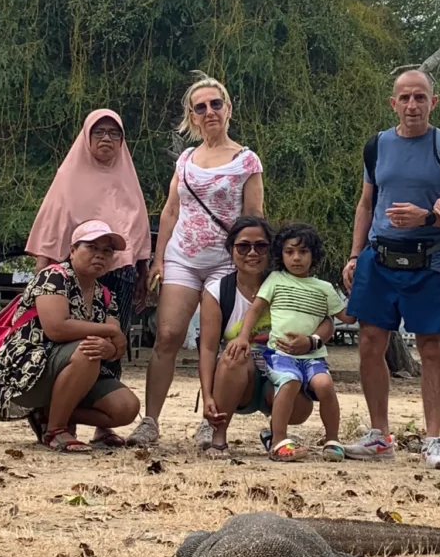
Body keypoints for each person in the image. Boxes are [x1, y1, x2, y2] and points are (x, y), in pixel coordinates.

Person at [342, 70, 440, 470]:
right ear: (393, 103)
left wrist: (428, 217)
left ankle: (433, 439)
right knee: (369, 342)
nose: (413, 105)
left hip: (429, 259)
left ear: (433, 102)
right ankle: (379, 435)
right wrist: (353, 255)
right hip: (379, 258)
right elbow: (366, 203)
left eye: (420, 97)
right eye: (405, 98)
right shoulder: (377, 146)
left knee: (431, 347)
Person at [129, 73, 264, 446]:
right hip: (183, 257)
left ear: (228, 109)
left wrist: (250, 267)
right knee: (168, 335)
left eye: (215, 104)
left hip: (224, 262)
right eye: (200, 107)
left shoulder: (246, 160)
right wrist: (158, 260)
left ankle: (212, 418)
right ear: (192, 115)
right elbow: (170, 211)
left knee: (214, 340)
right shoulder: (186, 160)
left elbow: (254, 217)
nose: (209, 112)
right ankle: (150, 420)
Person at [25, 109, 152, 384]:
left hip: (120, 271)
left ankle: (105, 405)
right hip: (73, 273)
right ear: (87, 136)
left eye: (114, 133)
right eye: (99, 132)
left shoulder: (128, 178)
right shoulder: (68, 176)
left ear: (122, 140)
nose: (107, 138)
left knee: (113, 340)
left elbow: (138, 227)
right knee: (71, 341)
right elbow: (52, 223)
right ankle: (60, 413)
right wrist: (41, 272)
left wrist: (143, 270)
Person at [0, 221, 141, 452]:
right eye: (91, 247)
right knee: (87, 350)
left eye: (107, 251)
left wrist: (110, 348)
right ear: (72, 251)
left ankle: (49, 411)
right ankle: (56, 429)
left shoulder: (105, 294)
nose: (100, 255)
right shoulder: (53, 276)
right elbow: (56, 328)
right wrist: (109, 333)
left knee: (127, 408)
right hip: (29, 367)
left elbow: (116, 347)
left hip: (76, 367)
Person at [196, 216, 334, 456]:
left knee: (300, 407)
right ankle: (219, 438)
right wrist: (207, 395)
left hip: (282, 372)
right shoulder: (218, 291)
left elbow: (327, 319)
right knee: (234, 354)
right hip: (240, 377)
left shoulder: (288, 282)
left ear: (271, 250)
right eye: (243, 246)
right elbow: (207, 349)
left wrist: (312, 341)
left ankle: (276, 437)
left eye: (260, 246)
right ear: (231, 249)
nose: (252, 253)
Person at [228, 222, 353, 462]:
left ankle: (333, 440)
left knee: (325, 385)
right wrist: (243, 336)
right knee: (289, 381)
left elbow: (346, 317)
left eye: (303, 252)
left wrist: (357, 289)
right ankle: (278, 441)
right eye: (289, 252)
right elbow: (255, 310)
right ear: (281, 255)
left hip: (313, 357)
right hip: (280, 355)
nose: (296, 258)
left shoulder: (324, 288)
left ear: (313, 255)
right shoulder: (275, 279)